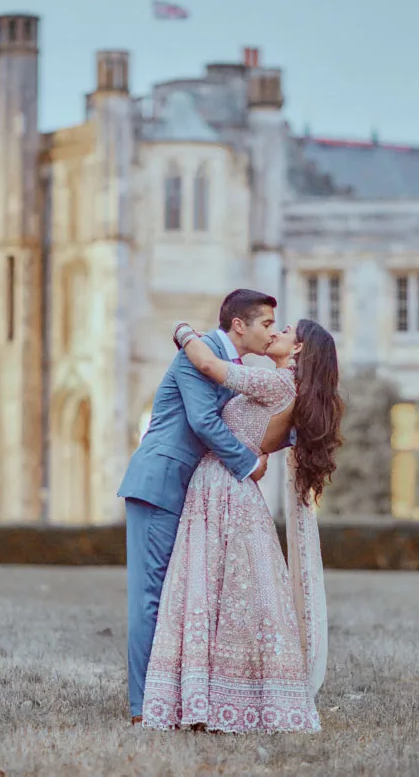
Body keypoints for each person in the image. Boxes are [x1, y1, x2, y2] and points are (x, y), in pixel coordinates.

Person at [141, 317, 343, 734]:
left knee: (214, 590)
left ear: (299, 349)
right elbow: (265, 443)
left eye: (283, 330)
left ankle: (215, 696)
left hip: (221, 486)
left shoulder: (278, 383)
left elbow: (211, 368)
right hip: (235, 489)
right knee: (236, 595)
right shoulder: (290, 391)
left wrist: (182, 331)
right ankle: (230, 695)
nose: (273, 334)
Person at [118, 289, 279, 726]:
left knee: (173, 597)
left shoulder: (228, 366)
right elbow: (203, 421)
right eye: (266, 323)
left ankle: (168, 699)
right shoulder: (203, 350)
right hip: (159, 482)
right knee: (150, 598)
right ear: (239, 325)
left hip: (183, 487)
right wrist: (249, 465)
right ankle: (141, 708)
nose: (271, 332)